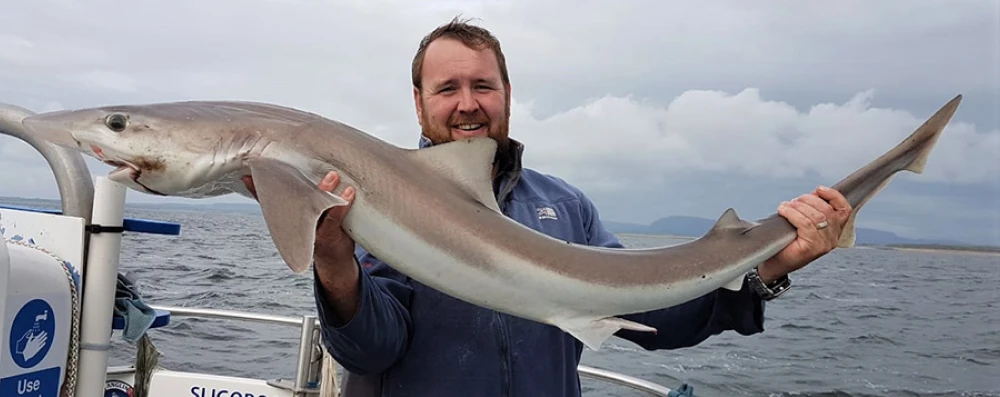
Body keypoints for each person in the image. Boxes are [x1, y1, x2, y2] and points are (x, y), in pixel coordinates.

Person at [243, 17, 853, 397]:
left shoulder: (564, 206)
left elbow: (659, 320)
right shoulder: (368, 200)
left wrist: (771, 269)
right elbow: (372, 350)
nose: (467, 104)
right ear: (418, 101)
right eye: (447, 88)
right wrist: (334, 261)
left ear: (507, 94)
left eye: (483, 85)